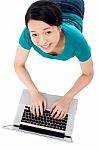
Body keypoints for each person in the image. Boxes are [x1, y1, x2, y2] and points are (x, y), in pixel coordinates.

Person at [14, 0, 94, 120]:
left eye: (48, 32)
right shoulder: (28, 33)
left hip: (73, 5)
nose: (42, 41)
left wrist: (66, 99)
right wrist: (34, 93)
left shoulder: (78, 42)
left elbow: (88, 74)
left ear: (59, 28)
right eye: (35, 34)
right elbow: (18, 64)